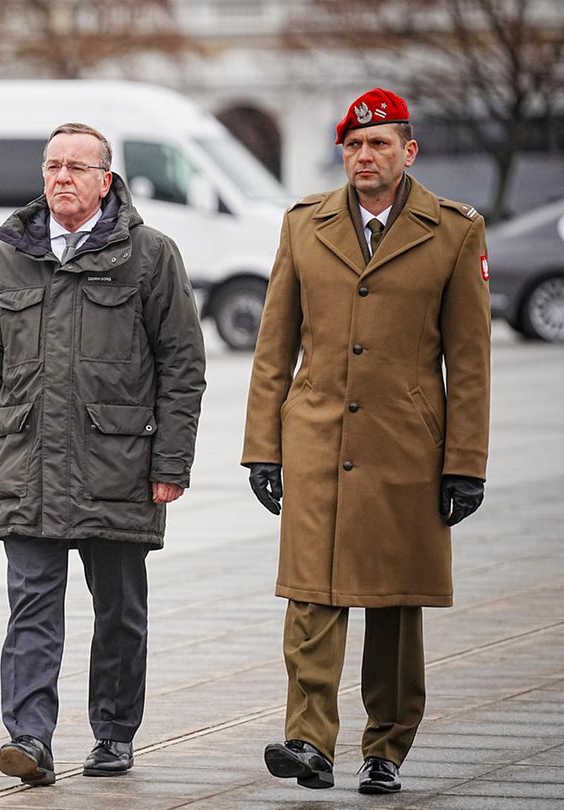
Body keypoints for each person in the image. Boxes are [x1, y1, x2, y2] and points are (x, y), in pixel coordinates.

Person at [243, 87, 491, 795]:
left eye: (379, 144)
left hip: (405, 446)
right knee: (311, 597)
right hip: (316, 439)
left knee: (392, 605)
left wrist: (464, 464)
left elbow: (470, 361)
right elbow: (273, 346)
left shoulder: (453, 230)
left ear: (408, 152)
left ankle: (385, 747)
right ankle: (308, 741)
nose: (364, 156)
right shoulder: (303, 226)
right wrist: (263, 446)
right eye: (353, 145)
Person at [0, 122, 206, 786]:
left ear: (107, 180)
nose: (60, 177)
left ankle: (112, 733)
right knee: (31, 608)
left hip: (120, 465)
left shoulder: (151, 256)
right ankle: (29, 738)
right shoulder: (7, 256)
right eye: (51, 165)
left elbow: (183, 367)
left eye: (76, 166)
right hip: (27, 463)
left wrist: (170, 466)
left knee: (119, 612)